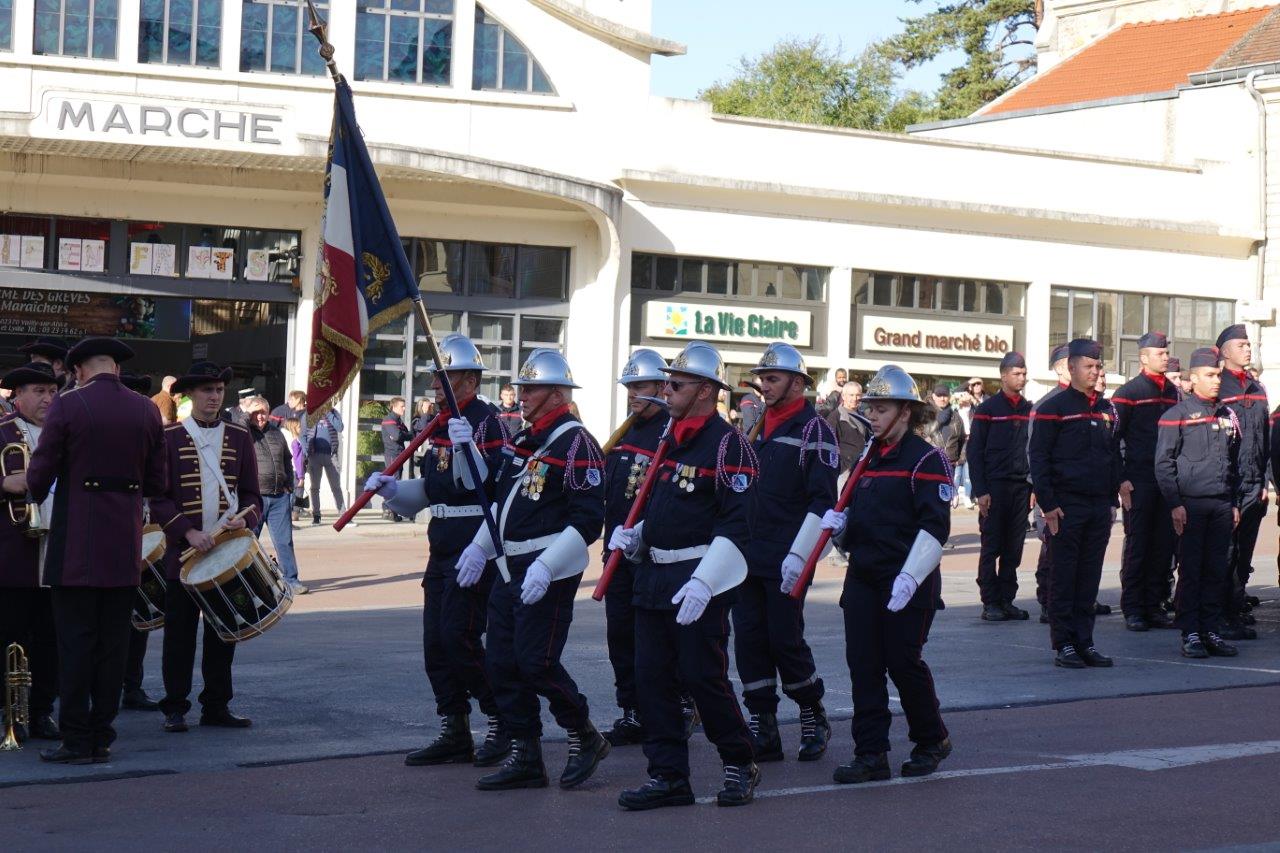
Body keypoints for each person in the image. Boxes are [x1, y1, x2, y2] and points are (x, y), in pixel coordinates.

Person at [610, 341, 760, 809]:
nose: (666, 391)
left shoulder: (728, 444)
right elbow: (660, 505)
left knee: (702, 678)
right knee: (651, 681)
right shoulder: (666, 437)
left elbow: (738, 524)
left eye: (675, 384)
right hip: (653, 578)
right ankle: (669, 775)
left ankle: (739, 761)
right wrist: (636, 537)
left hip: (699, 580)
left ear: (705, 391)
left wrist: (705, 580)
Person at [453, 348, 609, 792]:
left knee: (535, 662)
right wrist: (479, 547)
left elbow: (586, 521)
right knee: (501, 662)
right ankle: (526, 753)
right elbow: (501, 503)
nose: (521, 395)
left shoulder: (577, 442)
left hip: (549, 569)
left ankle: (583, 733)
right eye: (520, 388)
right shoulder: (524, 439)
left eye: (531, 388)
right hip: (508, 564)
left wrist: (546, 565)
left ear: (557, 393)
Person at [17, 337, 166, 764]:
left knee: (76, 643)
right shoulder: (146, 409)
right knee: (113, 643)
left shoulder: (68, 404)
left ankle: (76, 737)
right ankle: (102, 734)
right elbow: (157, 482)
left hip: (77, 541)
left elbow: (41, 471)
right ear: (116, 368)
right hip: (123, 540)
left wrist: (34, 491)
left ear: (79, 370)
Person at [366, 335, 512, 770]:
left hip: (474, 541)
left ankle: (502, 717)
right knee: (435, 641)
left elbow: (485, 486)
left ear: (468, 379)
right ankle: (454, 727)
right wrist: (395, 492)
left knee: (459, 636)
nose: (433, 384)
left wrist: (468, 447)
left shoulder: (486, 421)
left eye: (442, 376)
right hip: (442, 538)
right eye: (434, 376)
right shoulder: (441, 421)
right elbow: (435, 488)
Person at [819, 364, 952, 784]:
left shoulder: (926, 459)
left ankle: (931, 740)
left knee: (903, 663)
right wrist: (842, 531)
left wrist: (911, 578)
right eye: (871, 408)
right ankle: (871, 752)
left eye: (881, 408)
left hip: (906, 579)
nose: (872, 415)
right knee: (863, 665)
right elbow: (856, 511)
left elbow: (935, 527)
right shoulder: (867, 457)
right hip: (863, 576)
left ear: (906, 412)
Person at [150, 361, 262, 734]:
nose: (214, 397)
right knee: (179, 635)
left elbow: (251, 495)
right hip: (184, 554)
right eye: (206, 391)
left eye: (218, 390)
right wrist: (186, 531)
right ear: (189, 396)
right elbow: (159, 498)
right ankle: (175, 707)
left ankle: (216, 705)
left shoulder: (239, 436)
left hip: (224, 551)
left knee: (223, 632)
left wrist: (244, 520)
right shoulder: (169, 438)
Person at [739, 342, 837, 763]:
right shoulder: (755, 426)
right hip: (746, 553)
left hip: (786, 555)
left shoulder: (816, 431)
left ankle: (812, 712)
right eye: (763, 378)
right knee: (748, 640)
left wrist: (801, 556)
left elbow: (822, 503)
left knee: (784, 639)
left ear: (798, 383)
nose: (765, 385)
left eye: (773, 378)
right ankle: (764, 724)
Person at [1029, 339, 1121, 669]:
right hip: (1065, 506)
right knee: (1064, 577)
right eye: (1089, 366)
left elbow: (1111, 457)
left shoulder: (1106, 409)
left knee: (1088, 579)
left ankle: (1085, 641)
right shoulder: (1054, 406)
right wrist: (1048, 503)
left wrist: (1112, 500)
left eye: (1098, 366)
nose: (1095, 371)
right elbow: (1038, 457)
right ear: (1071, 368)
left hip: (1097, 506)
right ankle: (1064, 643)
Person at [597, 348, 669, 747]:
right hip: (618, 554)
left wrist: (641, 533)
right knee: (620, 636)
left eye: (640, 386)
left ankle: (671, 706)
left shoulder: (670, 435)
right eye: (629, 387)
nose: (632, 394)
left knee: (653, 642)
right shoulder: (625, 433)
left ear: (662, 387)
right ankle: (633, 710)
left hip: (652, 556)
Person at [1154, 347, 1242, 659]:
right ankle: (1190, 632)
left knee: (1215, 570)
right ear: (1193, 379)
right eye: (1210, 375)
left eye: (1219, 375)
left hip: (1219, 505)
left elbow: (1232, 463)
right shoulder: (1175, 416)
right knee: (1191, 571)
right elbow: (1163, 465)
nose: (1217, 381)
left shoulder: (1226, 414)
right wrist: (1175, 503)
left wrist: (1231, 502)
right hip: (1190, 505)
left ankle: (1210, 630)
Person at [0, 361, 62, 742]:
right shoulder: (2, 432)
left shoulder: (64, 434)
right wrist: (4, 482)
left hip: (57, 553)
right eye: (38, 391)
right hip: (13, 554)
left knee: (50, 640)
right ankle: (12, 712)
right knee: (10, 637)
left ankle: (41, 711)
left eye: (52, 391)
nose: (47, 399)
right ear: (17, 395)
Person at [1113, 332, 1180, 632]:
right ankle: (1134, 608)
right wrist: (1121, 478)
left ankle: (1154, 605)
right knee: (1138, 545)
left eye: (1166, 353)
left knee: (1163, 546)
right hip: (1138, 479)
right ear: (1143, 358)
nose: (1166, 357)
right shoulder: (1127, 393)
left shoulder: (1174, 393)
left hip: (1166, 480)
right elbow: (1111, 440)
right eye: (1160, 353)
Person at [967, 351, 1033, 622]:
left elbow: (1036, 450)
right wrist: (981, 491)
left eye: (1024, 373)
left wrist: (1034, 486)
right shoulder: (988, 410)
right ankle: (990, 601)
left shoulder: (1030, 410)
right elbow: (975, 452)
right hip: (994, 488)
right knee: (991, 545)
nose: (1022, 378)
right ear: (1003, 375)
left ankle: (1007, 599)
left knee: (1014, 547)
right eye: (1017, 374)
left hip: (1021, 487)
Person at [1216, 324, 1268, 641]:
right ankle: (1220, 615)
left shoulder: (1257, 387)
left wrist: (1264, 479)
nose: (1248, 349)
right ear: (1224, 351)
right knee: (1226, 552)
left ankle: (1234, 610)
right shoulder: (1218, 387)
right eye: (1241, 344)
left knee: (1244, 554)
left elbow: (1266, 437)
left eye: (1249, 344)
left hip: (1254, 483)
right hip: (1228, 482)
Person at [119, 370, 161, 713]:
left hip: (143, 538)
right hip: (111, 540)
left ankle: (131, 686)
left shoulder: (150, 436)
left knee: (140, 620)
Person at [245, 396, 304, 595]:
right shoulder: (244, 432)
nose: (260, 416)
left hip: (279, 496)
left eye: (263, 412)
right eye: (256, 412)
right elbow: (236, 424)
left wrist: (289, 485)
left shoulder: (277, 433)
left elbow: (288, 460)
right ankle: (248, 583)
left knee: (284, 541)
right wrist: (247, 414)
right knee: (248, 543)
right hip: (255, 497)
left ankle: (291, 580)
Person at [1031, 343, 1071, 623]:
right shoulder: (1047, 404)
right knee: (1051, 547)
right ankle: (1047, 599)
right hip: (1053, 490)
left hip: (1078, 492)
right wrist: (1040, 489)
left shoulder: (1089, 403)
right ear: (1059, 367)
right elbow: (1035, 451)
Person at [305, 401, 348, 526]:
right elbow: (304, 433)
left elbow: (340, 427)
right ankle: (316, 515)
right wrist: (305, 452)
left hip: (331, 455)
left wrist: (328, 413)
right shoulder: (311, 414)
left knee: (336, 487)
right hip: (314, 455)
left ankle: (343, 515)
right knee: (315, 487)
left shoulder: (334, 413)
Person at [924, 385, 965, 504]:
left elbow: (962, 439)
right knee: (928, 501)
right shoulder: (924, 414)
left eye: (945, 396)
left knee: (944, 504)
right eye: (939, 395)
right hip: (928, 464)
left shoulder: (956, 417)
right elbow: (917, 437)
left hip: (949, 466)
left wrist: (960, 459)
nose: (942, 399)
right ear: (933, 396)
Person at [380, 397, 412, 522]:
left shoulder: (397, 421)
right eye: (401, 406)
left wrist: (401, 435)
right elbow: (398, 435)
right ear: (394, 407)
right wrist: (401, 435)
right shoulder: (389, 420)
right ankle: (387, 509)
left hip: (399, 454)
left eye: (404, 406)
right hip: (392, 455)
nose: (404, 408)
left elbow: (409, 434)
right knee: (392, 483)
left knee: (395, 484)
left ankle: (392, 511)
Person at [953, 391, 976, 508]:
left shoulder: (974, 411)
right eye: (962, 396)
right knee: (957, 472)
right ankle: (954, 495)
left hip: (971, 441)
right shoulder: (955, 412)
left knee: (968, 473)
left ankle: (967, 497)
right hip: (959, 442)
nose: (964, 399)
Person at [284, 418, 306, 523]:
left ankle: (292, 514)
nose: (301, 428)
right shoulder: (296, 442)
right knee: (298, 493)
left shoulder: (287, 441)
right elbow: (298, 460)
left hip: (289, 471)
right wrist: (301, 476)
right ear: (293, 428)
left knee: (290, 493)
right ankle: (295, 514)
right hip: (296, 472)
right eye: (299, 427)